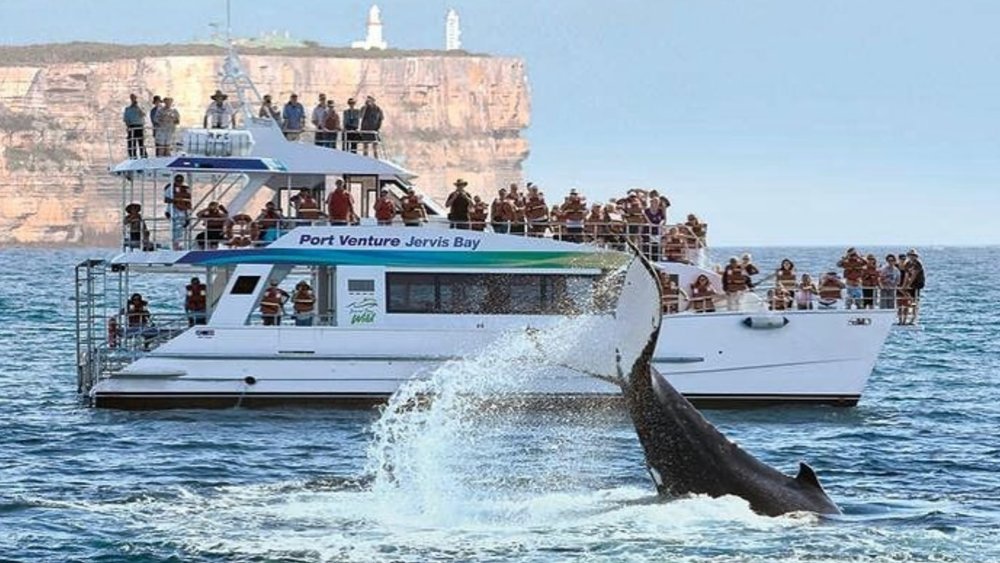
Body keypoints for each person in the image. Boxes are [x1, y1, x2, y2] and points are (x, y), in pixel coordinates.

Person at [163, 174, 192, 250]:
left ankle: (180, 245)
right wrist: (176, 201)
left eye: (180, 180)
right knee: (175, 228)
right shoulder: (170, 188)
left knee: (182, 229)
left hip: (183, 211)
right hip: (173, 210)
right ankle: (175, 245)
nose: (179, 182)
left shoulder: (186, 188)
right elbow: (166, 199)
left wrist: (188, 213)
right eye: (177, 180)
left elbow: (189, 200)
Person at [123, 93, 147, 159]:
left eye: (134, 98)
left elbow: (143, 114)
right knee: (131, 142)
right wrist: (128, 126)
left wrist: (137, 107)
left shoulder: (140, 108)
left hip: (139, 126)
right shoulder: (127, 109)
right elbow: (126, 119)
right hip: (131, 126)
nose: (133, 99)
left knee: (141, 142)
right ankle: (133, 156)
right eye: (132, 98)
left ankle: (143, 156)